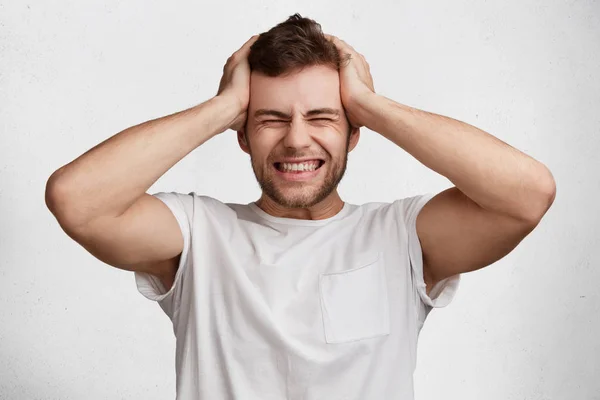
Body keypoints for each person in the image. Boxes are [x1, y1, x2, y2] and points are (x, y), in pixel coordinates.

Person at [45, 13, 556, 400]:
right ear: (241, 136)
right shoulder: (199, 233)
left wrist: (372, 106)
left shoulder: (400, 235)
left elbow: (528, 195)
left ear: (356, 132)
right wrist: (223, 106)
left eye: (321, 117)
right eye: (270, 119)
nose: (296, 140)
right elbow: (76, 200)